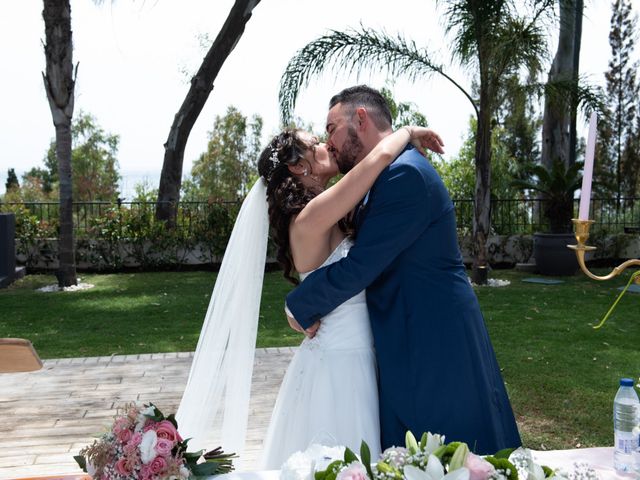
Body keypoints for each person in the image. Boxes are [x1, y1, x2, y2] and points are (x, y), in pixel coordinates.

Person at [175, 121, 444, 469]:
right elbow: (377, 159)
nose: (326, 146)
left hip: (353, 355)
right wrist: (408, 131)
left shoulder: (323, 212)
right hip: (340, 367)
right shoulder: (309, 219)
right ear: (298, 166)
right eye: (315, 143)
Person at [285, 85, 522, 455]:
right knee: (415, 454)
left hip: (434, 339)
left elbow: (361, 265)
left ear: (359, 119)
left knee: (453, 450)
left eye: (331, 128)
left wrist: (300, 304)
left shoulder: (404, 176)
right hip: (404, 333)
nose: (328, 142)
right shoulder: (386, 172)